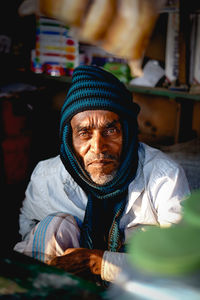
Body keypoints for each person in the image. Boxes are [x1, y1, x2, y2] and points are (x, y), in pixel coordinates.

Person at [14, 65, 190, 284]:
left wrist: (101, 263)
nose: (97, 147)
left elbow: (183, 261)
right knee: (53, 226)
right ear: (70, 139)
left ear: (127, 132)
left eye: (110, 131)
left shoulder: (164, 177)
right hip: (70, 289)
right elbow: (28, 232)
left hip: (137, 289)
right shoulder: (47, 177)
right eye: (84, 133)